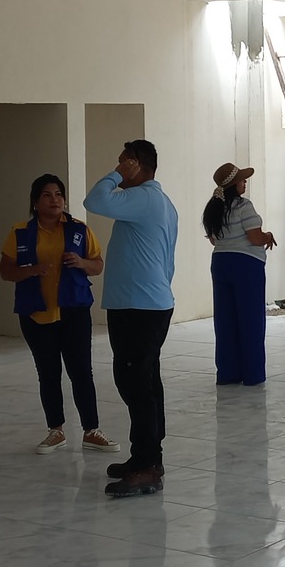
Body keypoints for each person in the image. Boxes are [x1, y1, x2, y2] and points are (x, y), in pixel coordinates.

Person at [84, 139, 178, 496]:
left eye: (124, 161)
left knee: (136, 384)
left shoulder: (142, 198)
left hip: (139, 307)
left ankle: (148, 465)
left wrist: (115, 174)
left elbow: (94, 201)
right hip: (147, 304)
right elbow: (167, 261)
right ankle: (147, 458)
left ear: (136, 164)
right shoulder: (160, 202)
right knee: (146, 383)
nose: (120, 167)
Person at [0, 174, 113, 454]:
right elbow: (5, 270)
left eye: (59, 194)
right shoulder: (20, 232)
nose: (55, 200)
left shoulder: (79, 229)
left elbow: (98, 265)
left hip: (73, 311)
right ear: (36, 202)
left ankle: (91, 430)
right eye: (47, 195)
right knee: (48, 373)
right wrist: (31, 270)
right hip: (36, 314)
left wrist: (81, 262)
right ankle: (56, 431)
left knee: (81, 372)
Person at [203, 162, 275, 387]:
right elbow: (255, 237)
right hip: (246, 265)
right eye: (242, 180)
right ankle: (252, 375)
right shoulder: (244, 206)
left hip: (220, 263)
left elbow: (213, 239)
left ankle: (228, 373)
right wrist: (268, 236)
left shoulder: (213, 208)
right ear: (234, 185)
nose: (245, 182)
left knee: (225, 320)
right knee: (250, 320)